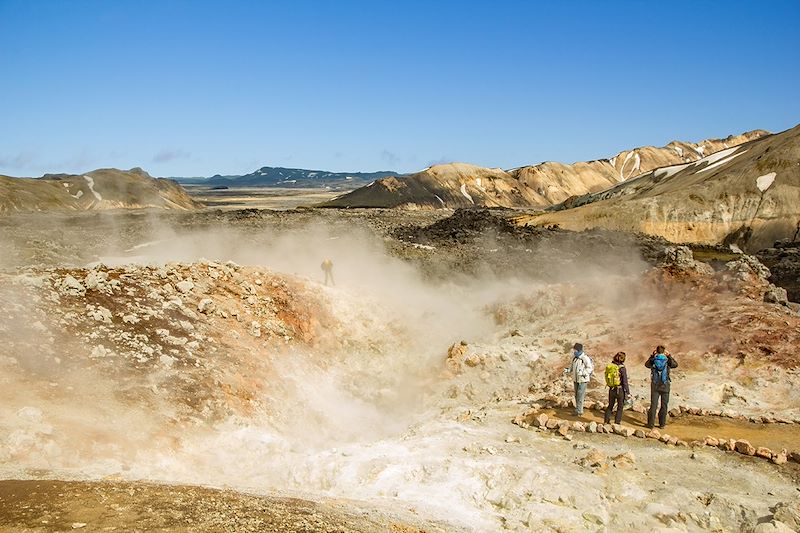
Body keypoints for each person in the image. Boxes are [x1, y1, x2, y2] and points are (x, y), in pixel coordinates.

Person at [645, 345, 678, 428]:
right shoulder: (667, 360)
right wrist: (669, 356)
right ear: (664, 351)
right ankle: (662, 424)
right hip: (665, 385)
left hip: (655, 385)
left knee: (653, 405)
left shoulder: (653, 360)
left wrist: (652, 356)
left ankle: (650, 424)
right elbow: (675, 365)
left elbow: (646, 365)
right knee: (664, 405)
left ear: (656, 351)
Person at [564, 342, 593, 416]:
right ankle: (578, 409)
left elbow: (590, 368)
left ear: (579, 350)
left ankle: (579, 411)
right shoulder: (574, 358)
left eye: (575, 350)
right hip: (576, 379)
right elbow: (572, 367)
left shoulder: (585, 358)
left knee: (580, 395)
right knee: (577, 395)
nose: (574, 352)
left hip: (583, 380)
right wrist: (568, 370)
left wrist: (583, 372)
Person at [603, 351, 630, 424]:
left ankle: (606, 421)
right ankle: (617, 422)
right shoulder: (622, 368)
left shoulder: (611, 366)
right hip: (620, 389)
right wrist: (627, 392)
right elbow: (625, 381)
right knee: (620, 407)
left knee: (610, 405)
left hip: (611, 389)